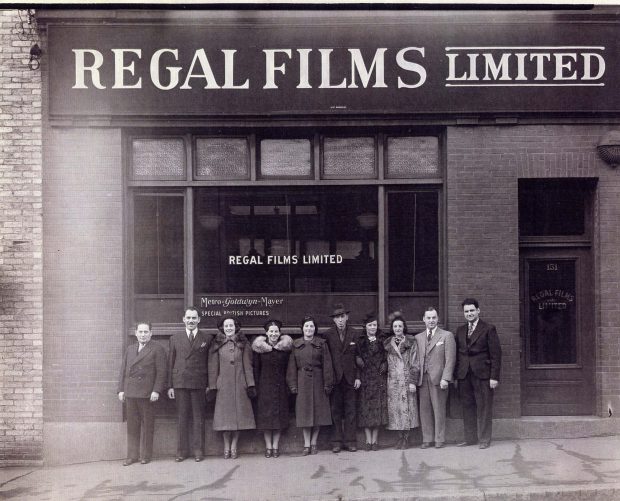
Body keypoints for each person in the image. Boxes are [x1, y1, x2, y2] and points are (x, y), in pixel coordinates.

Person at [455, 298, 502, 449]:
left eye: (471, 310)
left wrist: (494, 377)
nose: (469, 313)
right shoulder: (460, 330)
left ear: (478, 311)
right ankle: (470, 439)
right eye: (466, 311)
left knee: (484, 407)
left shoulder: (488, 329)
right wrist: (457, 375)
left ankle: (484, 439)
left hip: (483, 375)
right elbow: (457, 354)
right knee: (467, 407)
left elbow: (496, 354)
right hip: (464, 375)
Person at [167, 307, 213, 462]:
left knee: (198, 418)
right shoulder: (175, 338)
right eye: (188, 318)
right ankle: (181, 451)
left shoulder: (207, 337)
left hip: (199, 382)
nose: (191, 321)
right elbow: (171, 363)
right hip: (180, 382)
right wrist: (170, 386)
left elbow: (210, 363)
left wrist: (209, 384)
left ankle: (198, 451)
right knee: (182, 418)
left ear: (199, 319)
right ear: (183, 319)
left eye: (194, 318)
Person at [118, 321, 167, 465]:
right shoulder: (130, 349)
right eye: (140, 332)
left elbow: (161, 372)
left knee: (147, 425)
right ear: (136, 333)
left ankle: (146, 455)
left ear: (151, 333)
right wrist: (121, 389)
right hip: (131, 392)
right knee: (132, 426)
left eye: (146, 332)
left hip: (147, 394)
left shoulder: (158, 349)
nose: (143, 335)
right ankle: (132, 456)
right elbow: (123, 371)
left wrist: (156, 390)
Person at [208, 315, 256, 459]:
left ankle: (234, 446)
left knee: (238, 418)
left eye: (231, 325)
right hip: (223, 387)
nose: (229, 328)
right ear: (222, 328)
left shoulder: (244, 344)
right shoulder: (216, 344)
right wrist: (212, 385)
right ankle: (226, 446)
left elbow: (248, 365)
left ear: (236, 327)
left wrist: (250, 384)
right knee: (225, 419)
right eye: (226, 326)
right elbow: (212, 367)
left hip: (240, 385)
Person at [287, 315, 334, 455]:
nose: (309, 329)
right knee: (304, 413)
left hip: (319, 381)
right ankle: (306, 444)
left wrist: (328, 383)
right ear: (302, 329)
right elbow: (291, 367)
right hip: (302, 382)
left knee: (318, 413)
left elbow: (328, 364)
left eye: (311, 326)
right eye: (306, 326)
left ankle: (314, 443)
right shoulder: (295, 344)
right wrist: (293, 385)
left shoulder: (322, 343)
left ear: (315, 329)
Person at [415, 306, 456, 449]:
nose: (431, 320)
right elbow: (416, 360)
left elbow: (450, 359)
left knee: (439, 409)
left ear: (438, 319)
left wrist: (446, 378)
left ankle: (439, 439)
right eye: (428, 318)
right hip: (423, 378)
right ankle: (427, 438)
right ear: (424, 320)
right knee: (424, 410)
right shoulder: (418, 337)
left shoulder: (446, 336)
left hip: (439, 379)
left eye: (434, 318)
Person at [322, 303, 361, 453]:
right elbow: (326, 359)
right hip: (335, 378)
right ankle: (336, 442)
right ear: (333, 320)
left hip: (351, 378)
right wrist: (329, 379)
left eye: (342, 316)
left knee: (351, 410)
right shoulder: (327, 335)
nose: (340, 320)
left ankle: (351, 441)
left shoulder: (354, 333)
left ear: (347, 317)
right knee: (335, 410)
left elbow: (358, 357)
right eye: (337, 317)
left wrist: (358, 376)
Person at [252, 319, 293, 458]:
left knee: (278, 418)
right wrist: (256, 387)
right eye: (271, 331)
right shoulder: (260, 350)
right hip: (265, 388)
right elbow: (256, 369)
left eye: (276, 331)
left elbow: (289, 369)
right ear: (266, 333)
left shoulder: (285, 350)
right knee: (266, 418)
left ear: (280, 333)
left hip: (281, 387)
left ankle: (275, 447)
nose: (274, 334)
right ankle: (268, 447)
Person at [384, 313, 420, 449]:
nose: (397, 328)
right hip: (393, 381)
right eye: (395, 326)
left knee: (407, 410)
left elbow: (415, 363)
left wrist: (412, 381)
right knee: (396, 411)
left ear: (404, 327)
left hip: (406, 380)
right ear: (392, 328)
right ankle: (399, 438)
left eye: (400, 326)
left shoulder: (411, 342)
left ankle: (407, 438)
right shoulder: (388, 344)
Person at [355, 312, 389, 451]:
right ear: (366, 326)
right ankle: (368, 441)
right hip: (365, 379)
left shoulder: (383, 340)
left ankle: (375, 441)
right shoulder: (360, 341)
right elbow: (355, 356)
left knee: (377, 411)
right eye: (370, 325)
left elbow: (388, 356)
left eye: (374, 325)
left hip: (378, 378)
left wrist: (385, 365)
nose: (373, 327)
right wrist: (358, 360)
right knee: (366, 410)